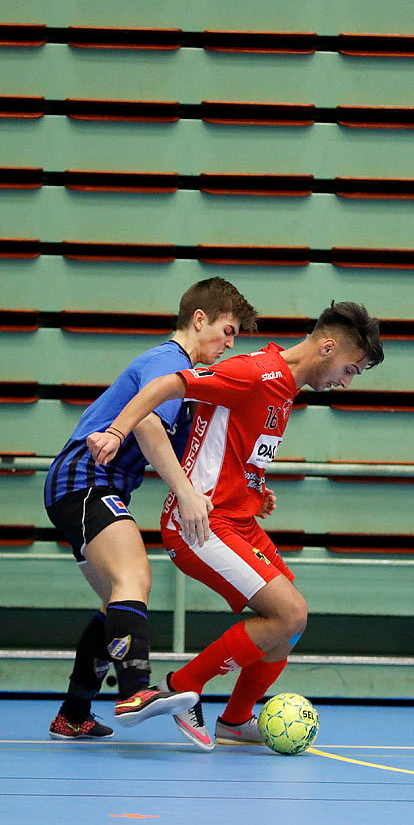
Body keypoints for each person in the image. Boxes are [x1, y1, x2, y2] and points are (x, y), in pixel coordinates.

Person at [89, 301, 383, 750]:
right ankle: (181, 685)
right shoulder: (255, 372)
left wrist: (254, 488)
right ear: (327, 347)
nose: (345, 382)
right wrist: (116, 431)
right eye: (350, 370)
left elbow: (237, 448)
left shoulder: (285, 388)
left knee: (292, 625)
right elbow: (168, 385)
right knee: (289, 612)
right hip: (201, 523)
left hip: (239, 518)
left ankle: (235, 719)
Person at [45, 277, 258, 739]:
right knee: (134, 577)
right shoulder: (169, 362)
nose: (230, 342)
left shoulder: (188, 384)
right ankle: (138, 690)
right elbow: (144, 425)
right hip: (85, 477)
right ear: (198, 320)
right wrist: (183, 492)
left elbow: (188, 457)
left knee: (117, 601)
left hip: (100, 486)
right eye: (227, 329)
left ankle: (74, 713)